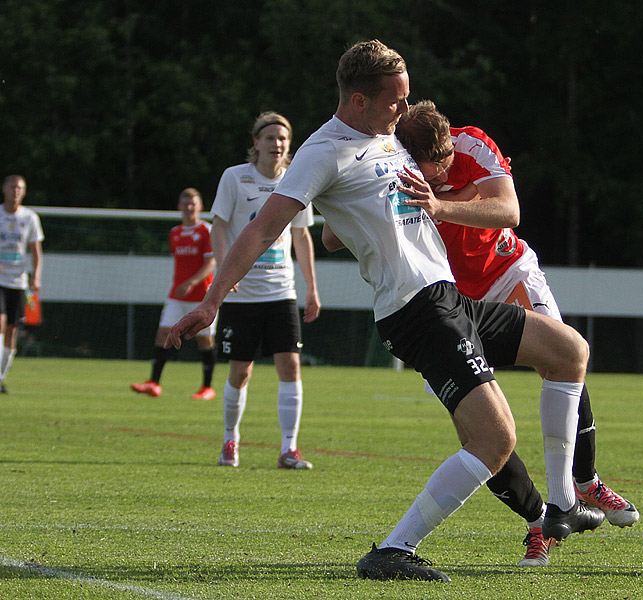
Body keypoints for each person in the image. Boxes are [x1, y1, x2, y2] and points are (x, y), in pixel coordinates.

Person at [166, 40, 601, 583]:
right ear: (357, 100)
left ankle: (558, 504)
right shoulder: (322, 152)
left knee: (568, 351)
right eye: (396, 100)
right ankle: (394, 549)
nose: (405, 108)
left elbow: (338, 229)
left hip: (450, 299)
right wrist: (213, 299)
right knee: (495, 439)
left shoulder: (385, 137)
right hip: (415, 310)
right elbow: (262, 226)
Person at [385, 100, 639, 567]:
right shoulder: (391, 164)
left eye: (445, 163)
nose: (441, 172)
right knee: (477, 432)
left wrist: (439, 203)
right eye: (432, 167)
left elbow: (509, 210)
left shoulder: (472, 142)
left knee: (564, 354)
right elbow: (336, 237)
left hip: (507, 273)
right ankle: (541, 520)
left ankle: (581, 485)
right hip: (447, 304)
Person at [208, 111, 321, 470]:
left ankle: (289, 449)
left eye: (283, 139)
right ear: (256, 143)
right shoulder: (234, 178)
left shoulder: (296, 180)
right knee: (241, 370)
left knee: (290, 365)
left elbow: (301, 236)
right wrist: (228, 271)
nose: (277, 144)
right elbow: (218, 227)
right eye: (270, 138)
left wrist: (311, 289)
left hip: (281, 292)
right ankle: (230, 440)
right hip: (242, 295)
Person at [131, 188, 218, 400]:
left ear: (200, 206)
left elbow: (211, 263)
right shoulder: (175, 233)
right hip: (176, 296)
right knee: (163, 333)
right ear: (179, 206)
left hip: (202, 296)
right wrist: (183, 284)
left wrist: (192, 282)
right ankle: (153, 383)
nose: (189, 207)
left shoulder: (207, 230)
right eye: (185, 203)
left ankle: (207, 387)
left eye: (193, 203)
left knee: (204, 340)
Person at [0, 175, 43, 394]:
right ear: (4, 189)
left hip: (17, 281)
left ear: (23, 192)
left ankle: (1, 377)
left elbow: (36, 251)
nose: (15, 191)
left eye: (20, 188)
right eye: (12, 186)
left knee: (12, 330)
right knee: (0, 322)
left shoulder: (30, 218)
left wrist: (36, 276)